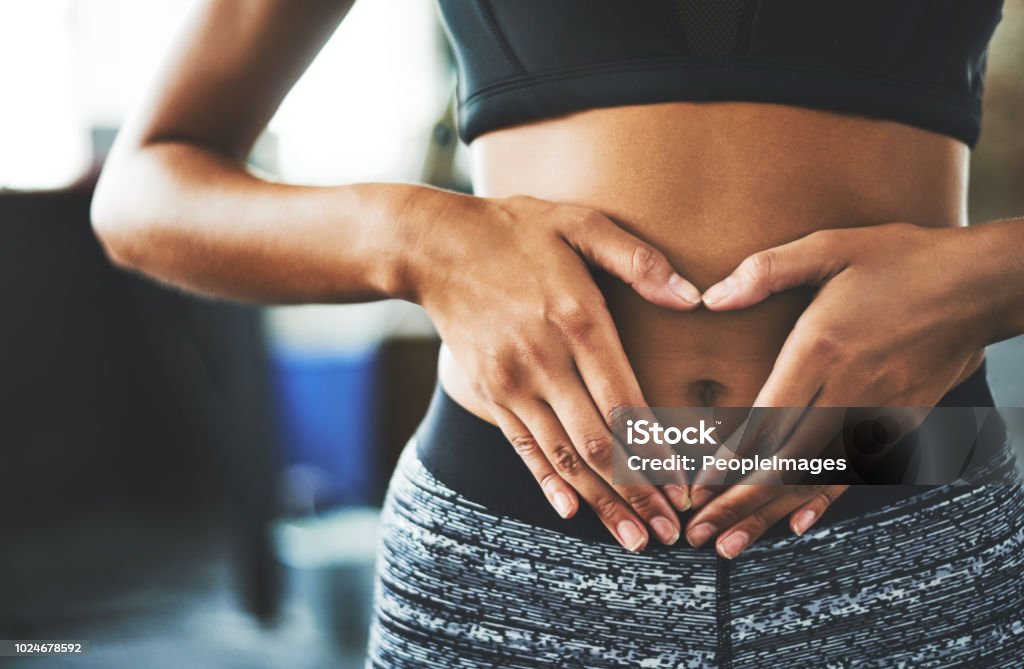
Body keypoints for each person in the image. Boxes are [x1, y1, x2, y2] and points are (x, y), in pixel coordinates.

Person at [93, 1, 1024, 665]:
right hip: (515, 533)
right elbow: (146, 191)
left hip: (905, 514)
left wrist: (992, 275)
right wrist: (417, 238)